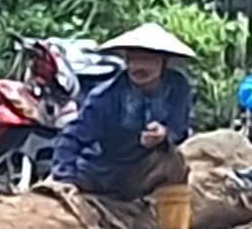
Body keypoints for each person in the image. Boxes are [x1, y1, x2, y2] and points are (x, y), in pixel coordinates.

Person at [54, 24, 198, 201]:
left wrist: (164, 134)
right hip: (104, 171)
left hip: (146, 169)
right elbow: (72, 137)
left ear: (163, 62)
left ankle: (172, 226)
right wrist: (65, 178)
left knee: (176, 162)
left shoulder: (177, 86)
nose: (139, 67)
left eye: (148, 60)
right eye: (133, 59)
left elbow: (180, 128)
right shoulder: (105, 96)